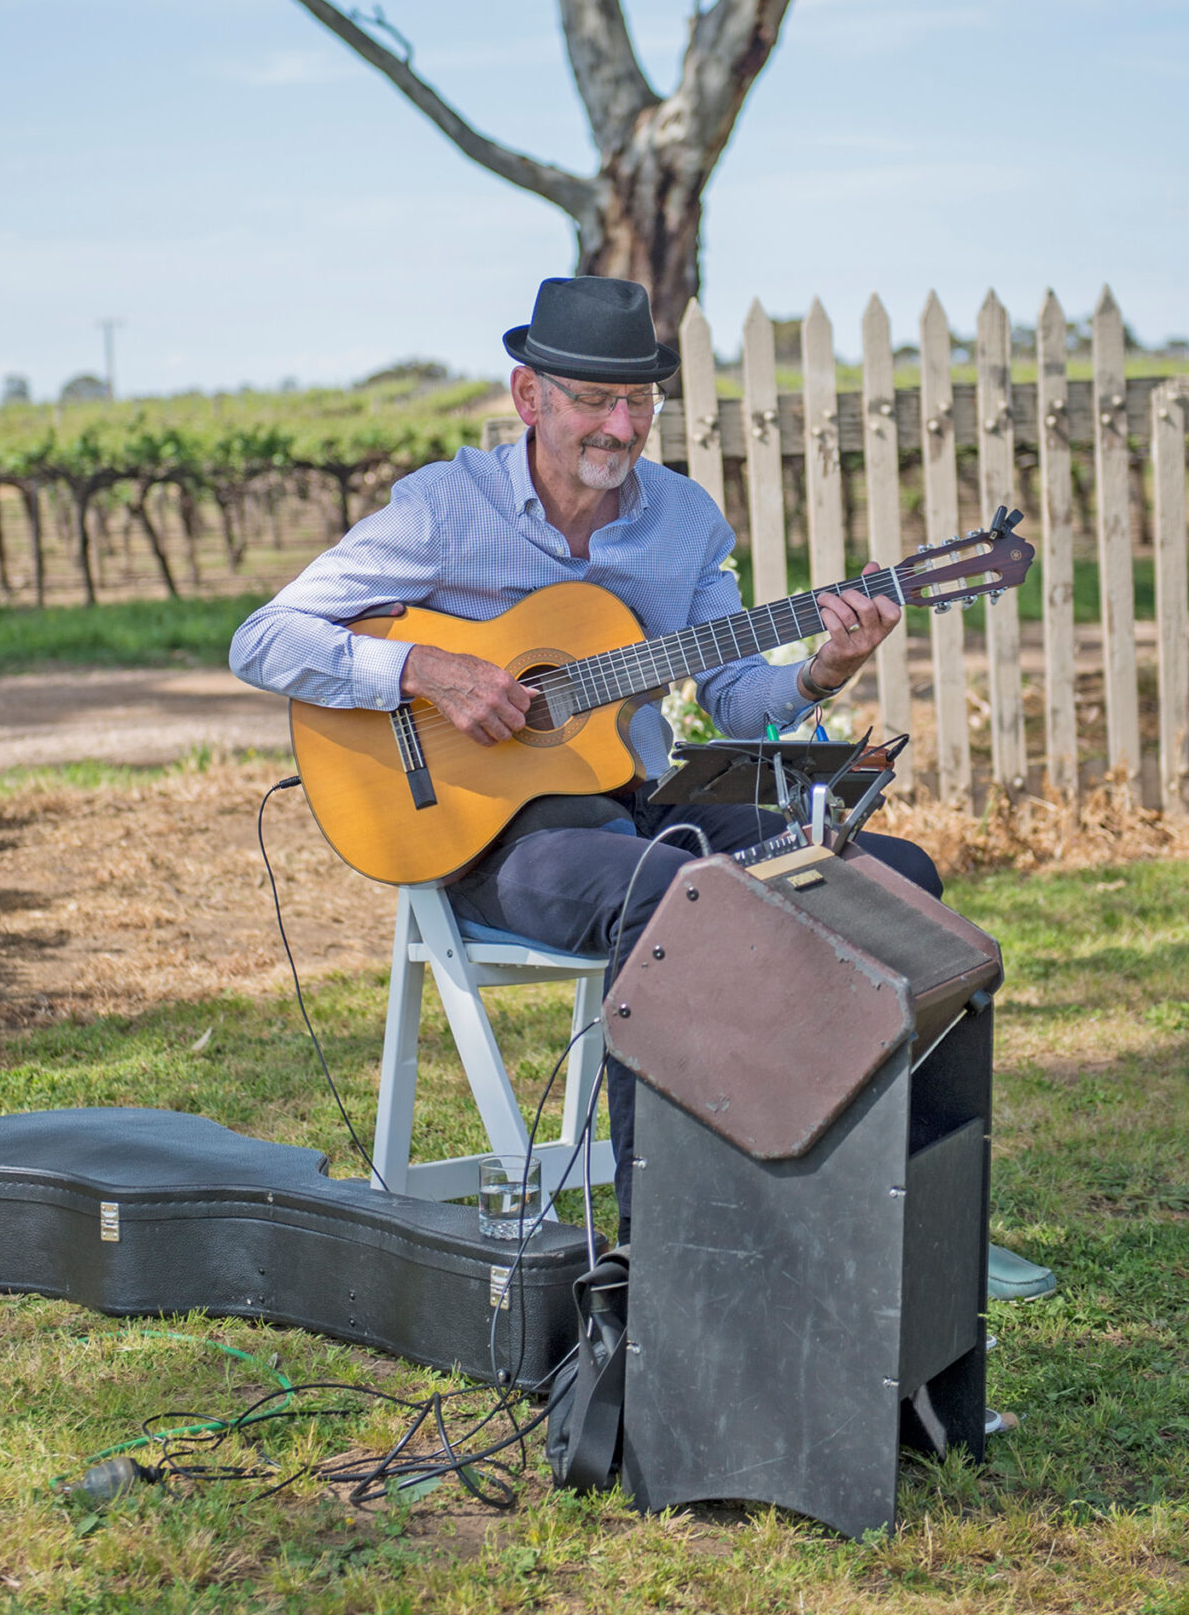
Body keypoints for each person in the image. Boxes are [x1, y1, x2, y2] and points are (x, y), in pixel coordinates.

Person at [231, 274, 942, 1244]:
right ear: (529, 398)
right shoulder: (445, 509)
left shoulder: (684, 520)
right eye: (594, 400)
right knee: (679, 895)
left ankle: (870, 1205)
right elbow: (264, 639)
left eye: (640, 401)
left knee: (891, 877)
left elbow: (731, 695)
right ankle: (672, 1244)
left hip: (645, 801)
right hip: (493, 833)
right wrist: (423, 669)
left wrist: (825, 667)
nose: (620, 424)